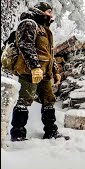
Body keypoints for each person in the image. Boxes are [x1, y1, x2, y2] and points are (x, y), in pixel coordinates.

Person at [10, 2, 68, 141]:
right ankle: (18, 134)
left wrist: (55, 71)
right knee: (24, 100)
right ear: (40, 11)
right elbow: (26, 45)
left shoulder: (45, 29)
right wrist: (35, 67)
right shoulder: (29, 24)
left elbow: (50, 54)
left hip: (45, 74)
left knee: (49, 100)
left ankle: (51, 132)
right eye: (49, 12)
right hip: (29, 72)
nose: (51, 14)